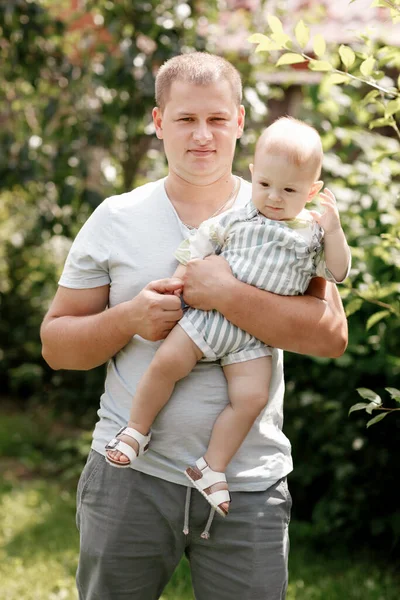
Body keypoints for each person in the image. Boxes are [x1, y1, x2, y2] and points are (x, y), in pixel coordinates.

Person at [40, 52, 348, 600]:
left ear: (240, 123)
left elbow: (330, 335)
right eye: (185, 119)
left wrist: (225, 293)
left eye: (217, 119)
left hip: (248, 486)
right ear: (158, 123)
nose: (202, 136)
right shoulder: (116, 218)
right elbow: (57, 347)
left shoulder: (292, 216)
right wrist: (131, 317)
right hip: (130, 481)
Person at [104, 116, 351, 519]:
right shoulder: (237, 216)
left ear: (313, 191)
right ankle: (136, 429)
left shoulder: (312, 236)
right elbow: (198, 246)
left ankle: (211, 467)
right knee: (167, 363)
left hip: (255, 336)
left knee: (252, 397)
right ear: (252, 174)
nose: (273, 197)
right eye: (265, 184)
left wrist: (335, 230)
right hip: (209, 319)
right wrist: (179, 283)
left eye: (289, 190)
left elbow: (339, 272)